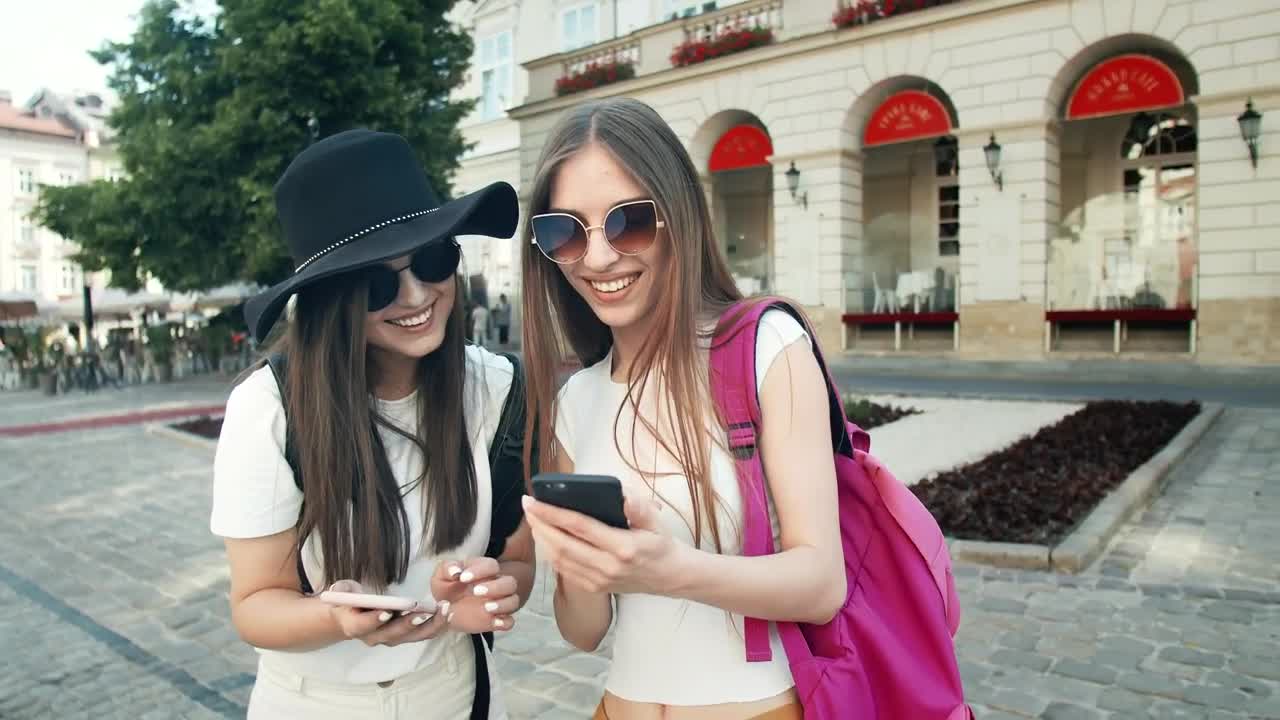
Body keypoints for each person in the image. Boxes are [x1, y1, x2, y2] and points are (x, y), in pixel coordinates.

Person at [519, 98, 844, 720]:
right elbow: (583, 632)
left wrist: (670, 568)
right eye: (565, 232)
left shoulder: (765, 348)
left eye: (628, 222)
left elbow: (821, 584)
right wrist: (579, 563)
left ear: (678, 215)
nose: (598, 258)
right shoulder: (574, 399)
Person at [211, 129, 532, 719]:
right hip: (318, 704)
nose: (415, 295)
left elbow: (518, 562)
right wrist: (335, 618)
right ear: (331, 300)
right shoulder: (269, 407)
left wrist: (487, 588)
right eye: (376, 282)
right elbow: (256, 605)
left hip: (458, 693)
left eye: (434, 258)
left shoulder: (499, 388)